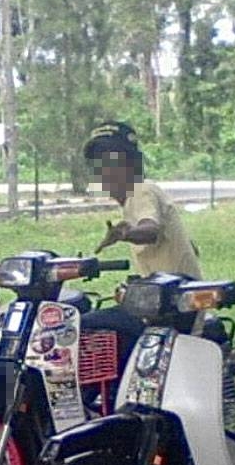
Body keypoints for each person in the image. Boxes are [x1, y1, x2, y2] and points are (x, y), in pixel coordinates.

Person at [79, 121, 205, 376]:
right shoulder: (137, 199)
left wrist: (128, 233)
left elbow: (151, 229)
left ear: (132, 165)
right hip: (164, 305)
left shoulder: (141, 191)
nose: (105, 172)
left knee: (83, 327)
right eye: (99, 165)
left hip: (170, 310)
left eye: (113, 163)